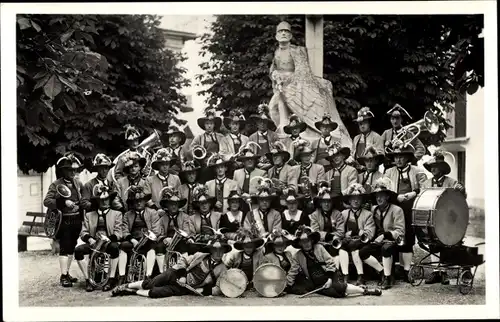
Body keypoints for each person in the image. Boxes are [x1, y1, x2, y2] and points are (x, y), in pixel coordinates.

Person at [267, 21, 352, 150]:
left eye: (287, 31)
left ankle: (291, 129)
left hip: (294, 86)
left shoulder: (297, 50)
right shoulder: (277, 52)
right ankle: (285, 131)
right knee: (272, 108)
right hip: (281, 86)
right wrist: (274, 74)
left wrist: (286, 79)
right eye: (280, 31)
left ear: (290, 35)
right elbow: (273, 69)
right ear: (276, 35)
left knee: (283, 103)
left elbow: (302, 70)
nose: (283, 33)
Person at [111, 235, 231, 298]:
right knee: (153, 282)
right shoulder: (200, 255)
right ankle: (126, 286)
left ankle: (131, 292)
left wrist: (203, 290)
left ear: (224, 251)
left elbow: (219, 288)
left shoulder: (223, 269)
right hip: (175, 273)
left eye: (221, 251)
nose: (218, 253)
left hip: (186, 288)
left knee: (156, 292)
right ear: (211, 250)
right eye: (215, 250)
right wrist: (182, 275)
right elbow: (183, 260)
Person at [285, 225, 382, 297]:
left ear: (312, 240)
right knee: (335, 294)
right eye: (303, 242)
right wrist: (285, 286)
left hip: (331, 274)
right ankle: (354, 290)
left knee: (339, 287)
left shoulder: (319, 248)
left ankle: (364, 291)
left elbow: (330, 263)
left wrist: (330, 279)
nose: (306, 244)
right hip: (317, 283)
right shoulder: (297, 256)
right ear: (300, 244)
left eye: (308, 240)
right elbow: (293, 271)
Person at [421, 148, 466, 285]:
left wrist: (461, 190)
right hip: (431, 217)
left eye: (436, 166)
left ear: (441, 168)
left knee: (446, 242)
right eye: (431, 167)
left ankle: (444, 273)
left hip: (448, 218)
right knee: (432, 242)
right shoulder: (426, 184)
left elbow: (461, 197)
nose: (433, 169)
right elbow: (422, 199)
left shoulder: (452, 182)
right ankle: (436, 272)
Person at [43, 152, 85, 287]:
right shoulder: (55, 185)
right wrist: (63, 202)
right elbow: (47, 201)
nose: (73, 172)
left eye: (74, 169)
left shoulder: (78, 183)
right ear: (63, 171)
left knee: (72, 247)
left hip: (76, 219)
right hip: (64, 220)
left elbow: (83, 199)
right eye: (69, 170)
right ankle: (63, 276)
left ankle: (67, 273)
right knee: (64, 248)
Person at [384, 143, 422, 282]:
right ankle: (391, 271)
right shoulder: (389, 172)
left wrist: (414, 193)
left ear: (407, 158)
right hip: (393, 208)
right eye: (396, 157)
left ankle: (407, 272)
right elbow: (383, 189)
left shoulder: (417, 171)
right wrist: (395, 197)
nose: (399, 160)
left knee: (408, 238)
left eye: (402, 157)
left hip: (410, 208)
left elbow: (425, 186)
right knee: (392, 236)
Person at [74, 184, 122, 292]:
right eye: (102, 200)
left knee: (115, 248)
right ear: (97, 201)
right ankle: (88, 280)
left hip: (108, 243)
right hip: (94, 243)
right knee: (78, 251)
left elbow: (119, 232)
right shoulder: (89, 215)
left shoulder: (117, 214)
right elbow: (83, 232)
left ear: (110, 200)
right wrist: (89, 239)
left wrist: (109, 239)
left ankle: (111, 279)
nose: (104, 202)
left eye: (107, 199)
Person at [362, 177, 405, 289]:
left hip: (393, 241)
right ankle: (382, 272)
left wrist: (385, 235)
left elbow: (400, 231)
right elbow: (369, 224)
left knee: (386, 249)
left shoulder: (397, 210)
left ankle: (387, 278)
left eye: (382, 195)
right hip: (377, 241)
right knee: (363, 252)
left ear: (387, 196)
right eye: (377, 196)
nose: (379, 198)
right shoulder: (373, 210)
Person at [119, 185, 161, 284]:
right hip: (133, 241)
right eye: (135, 201)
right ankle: (121, 276)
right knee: (122, 247)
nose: (138, 202)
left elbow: (156, 230)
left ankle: (148, 275)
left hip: (148, 241)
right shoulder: (127, 215)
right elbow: (124, 230)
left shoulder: (152, 212)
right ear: (132, 203)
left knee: (152, 247)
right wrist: (132, 240)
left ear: (145, 201)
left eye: (141, 200)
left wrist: (146, 239)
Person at [338, 184, 376, 285]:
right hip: (348, 241)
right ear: (349, 201)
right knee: (342, 248)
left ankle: (360, 276)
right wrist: (344, 235)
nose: (355, 201)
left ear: (362, 201)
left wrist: (358, 232)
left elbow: (370, 233)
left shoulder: (367, 214)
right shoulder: (344, 214)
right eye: (353, 199)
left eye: (358, 199)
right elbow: (340, 229)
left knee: (354, 248)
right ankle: (345, 275)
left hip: (362, 241)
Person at [154, 186, 191, 273]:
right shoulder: (162, 219)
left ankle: (183, 271)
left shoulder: (185, 217)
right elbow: (159, 233)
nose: (174, 206)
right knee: (159, 247)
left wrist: (177, 239)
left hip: (180, 240)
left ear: (179, 205)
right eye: (171, 204)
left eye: (176, 204)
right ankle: (162, 272)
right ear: (167, 205)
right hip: (167, 241)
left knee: (184, 246)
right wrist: (164, 239)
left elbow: (187, 232)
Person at [309, 186, 345, 264]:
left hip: (335, 243)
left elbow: (341, 232)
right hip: (320, 243)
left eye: (329, 202)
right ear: (320, 203)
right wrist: (328, 236)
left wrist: (333, 239)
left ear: (332, 203)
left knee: (338, 252)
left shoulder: (337, 214)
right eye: (324, 202)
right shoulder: (314, 215)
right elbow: (315, 232)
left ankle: (337, 272)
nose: (326, 204)